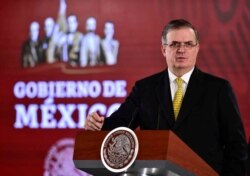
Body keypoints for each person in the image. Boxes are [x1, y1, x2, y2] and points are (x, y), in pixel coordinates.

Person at [84, 19, 248, 175]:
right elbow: (119, 127)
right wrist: (97, 125)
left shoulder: (218, 89)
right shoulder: (144, 89)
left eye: (188, 44)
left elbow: (237, 146)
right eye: (175, 44)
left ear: (197, 48)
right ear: (163, 49)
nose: (182, 50)